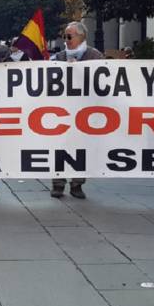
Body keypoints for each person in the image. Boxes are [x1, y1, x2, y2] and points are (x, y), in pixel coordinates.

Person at [49, 22, 103, 199]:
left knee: (81, 149)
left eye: (69, 36)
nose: (66, 40)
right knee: (59, 148)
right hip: (61, 112)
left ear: (81, 37)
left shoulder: (95, 57)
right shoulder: (58, 57)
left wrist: (79, 71)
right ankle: (58, 183)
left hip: (85, 112)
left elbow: (102, 83)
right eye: (65, 36)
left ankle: (77, 184)